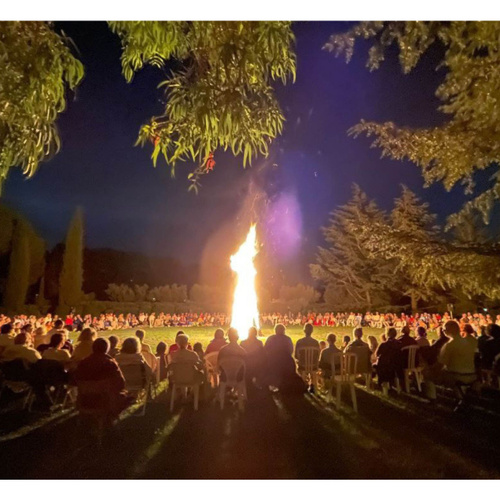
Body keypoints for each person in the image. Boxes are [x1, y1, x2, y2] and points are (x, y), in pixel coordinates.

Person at [73, 338, 131, 421]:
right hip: (106, 400)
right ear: (107, 349)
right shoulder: (110, 363)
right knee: (127, 396)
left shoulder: (83, 363)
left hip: (84, 399)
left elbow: (75, 380)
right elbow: (121, 383)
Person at [437, 320, 477, 408]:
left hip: (456, 376)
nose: (443, 331)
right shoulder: (469, 342)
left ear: (448, 331)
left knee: (428, 374)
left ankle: (432, 398)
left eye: (444, 329)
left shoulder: (449, 345)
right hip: (472, 374)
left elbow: (442, 362)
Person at [265, 324, 303, 393]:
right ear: (283, 331)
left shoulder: (270, 338)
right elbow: (291, 351)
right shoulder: (287, 339)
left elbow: (266, 350)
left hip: (273, 362)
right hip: (286, 362)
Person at [374, 327, 402, 393]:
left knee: (376, 365)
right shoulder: (399, 344)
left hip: (385, 366)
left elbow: (377, 354)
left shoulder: (384, 344)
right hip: (396, 365)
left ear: (387, 334)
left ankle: (382, 384)